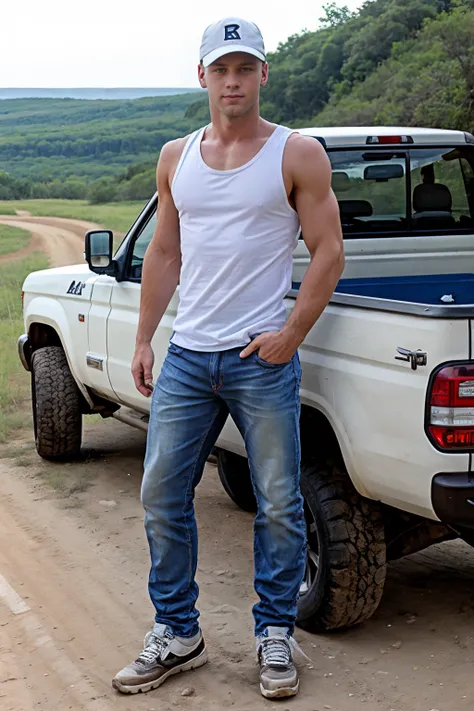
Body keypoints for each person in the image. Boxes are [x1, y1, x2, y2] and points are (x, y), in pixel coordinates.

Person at [113, 17, 344, 700]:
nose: (233, 80)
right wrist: (144, 335)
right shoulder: (175, 156)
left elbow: (329, 251)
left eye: (245, 68)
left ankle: (276, 632)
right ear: (203, 77)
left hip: (260, 358)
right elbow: (165, 251)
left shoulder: (296, 154)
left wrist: (291, 335)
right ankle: (177, 631)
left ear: (264, 75)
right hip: (188, 355)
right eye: (222, 69)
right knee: (161, 493)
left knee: (277, 501)